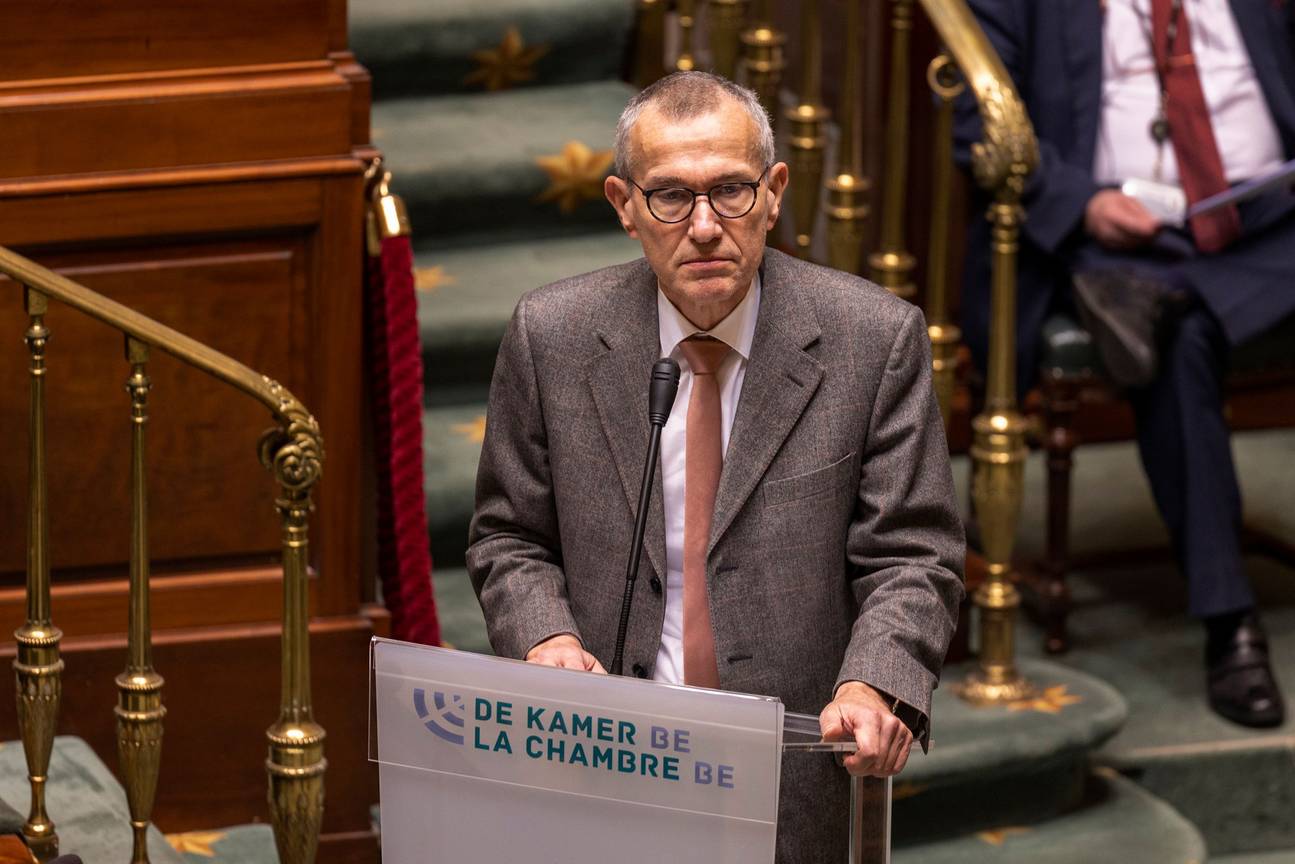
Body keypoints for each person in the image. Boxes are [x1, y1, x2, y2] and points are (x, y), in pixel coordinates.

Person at [467, 71, 965, 861]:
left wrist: (872, 681)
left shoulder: (871, 340)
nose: (704, 226)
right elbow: (508, 536)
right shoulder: (551, 336)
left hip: (792, 760)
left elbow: (911, 553)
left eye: (730, 191)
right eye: (669, 196)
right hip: (607, 756)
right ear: (624, 207)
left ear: (773, 193)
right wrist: (545, 639)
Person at [958, 0, 1294, 727]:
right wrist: (1082, 202)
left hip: (1266, 221)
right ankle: (1230, 624)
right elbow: (979, 127)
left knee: (1171, 310)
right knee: (1175, 336)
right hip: (1114, 240)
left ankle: (1179, 295)